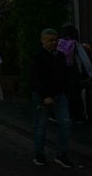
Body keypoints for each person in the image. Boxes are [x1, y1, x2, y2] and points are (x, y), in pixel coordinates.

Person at [31, 28, 74, 167]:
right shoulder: (38, 56)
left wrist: (66, 91)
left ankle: (61, 154)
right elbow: (35, 78)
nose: (54, 43)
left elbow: (64, 75)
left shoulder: (60, 56)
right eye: (50, 40)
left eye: (55, 40)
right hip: (42, 96)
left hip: (59, 95)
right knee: (40, 126)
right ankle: (39, 154)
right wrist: (45, 95)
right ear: (43, 41)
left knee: (65, 123)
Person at [57, 25, 92, 122]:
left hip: (60, 71)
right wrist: (91, 74)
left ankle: (62, 115)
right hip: (72, 71)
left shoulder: (58, 43)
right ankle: (77, 116)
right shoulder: (75, 43)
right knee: (75, 94)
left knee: (63, 93)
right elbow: (85, 60)